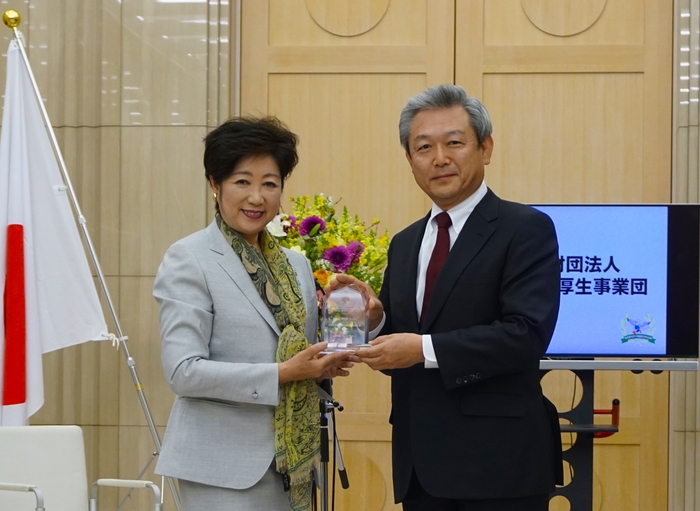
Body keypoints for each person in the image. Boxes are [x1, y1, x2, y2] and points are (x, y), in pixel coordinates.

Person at [328, 84, 563, 510]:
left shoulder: (525, 228)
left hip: (500, 465)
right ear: (409, 159)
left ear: (485, 148)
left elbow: (526, 334)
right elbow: (402, 351)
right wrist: (376, 321)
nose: (439, 158)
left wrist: (421, 348)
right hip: (421, 467)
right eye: (424, 147)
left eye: (454, 143)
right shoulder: (405, 243)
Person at [153, 116, 354, 511]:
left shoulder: (296, 265)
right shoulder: (189, 259)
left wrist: (351, 323)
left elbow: (306, 352)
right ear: (215, 184)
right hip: (222, 471)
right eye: (242, 182)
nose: (257, 197)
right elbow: (183, 371)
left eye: (270, 184)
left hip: (294, 466)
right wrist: (283, 373)